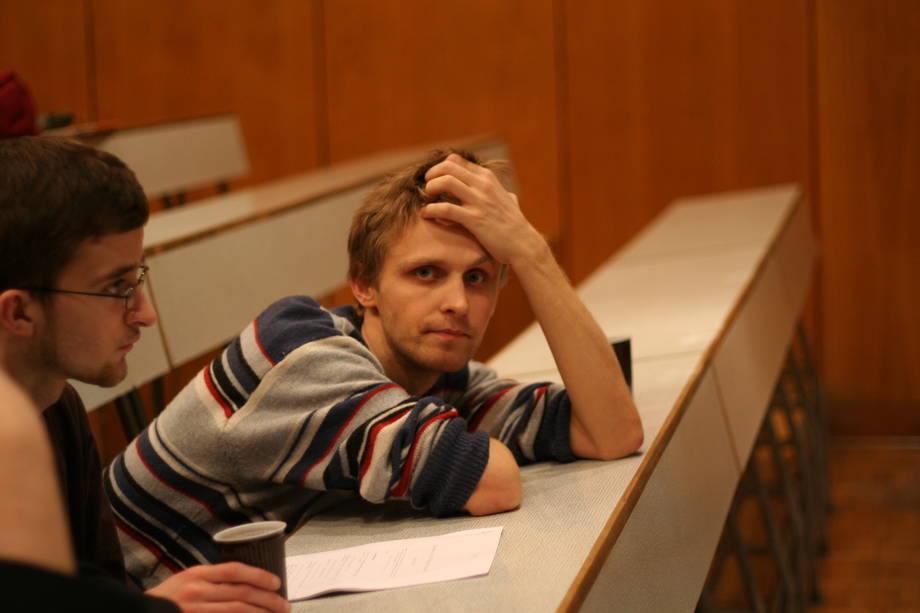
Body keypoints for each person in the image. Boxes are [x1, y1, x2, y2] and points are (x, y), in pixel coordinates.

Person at [108, 149, 643, 588]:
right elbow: (492, 483)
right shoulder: (299, 353)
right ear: (364, 285)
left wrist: (530, 253)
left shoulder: (439, 378)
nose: (458, 303)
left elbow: (610, 432)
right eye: (426, 273)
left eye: (478, 278)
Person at [0, 136, 290, 612]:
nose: (146, 314)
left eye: (138, 278)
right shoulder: (14, 426)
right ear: (19, 313)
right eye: (116, 287)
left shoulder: (58, 402)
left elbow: (90, 583)